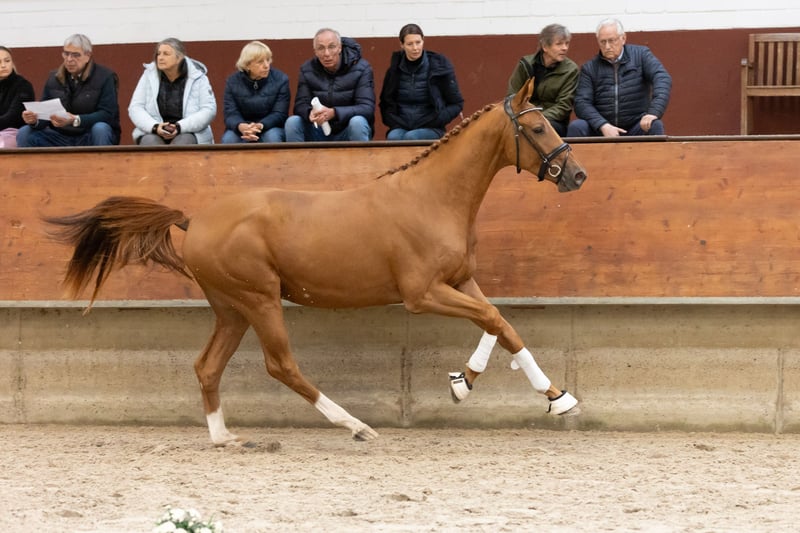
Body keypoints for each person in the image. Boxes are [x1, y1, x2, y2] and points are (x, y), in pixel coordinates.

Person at [567, 18, 672, 137]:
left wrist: (654, 112)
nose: (607, 46)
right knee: (577, 127)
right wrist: (603, 125)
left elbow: (662, 78)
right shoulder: (590, 68)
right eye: (603, 42)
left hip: (636, 125)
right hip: (602, 129)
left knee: (655, 125)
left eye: (611, 40)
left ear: (623, 38)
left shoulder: (641, 55)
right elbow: (581, 102)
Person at [17, 34, 120, 147]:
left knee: (100, 128)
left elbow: (108, 114)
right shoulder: (54, 78)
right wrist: (34, 120)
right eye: (66, 54)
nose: (69, 59)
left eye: (76, 55)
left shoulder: (105, 77)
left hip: (88, 133)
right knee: (25, 132)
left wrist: (76, 119)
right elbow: (45, 114)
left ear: (88, 56)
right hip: (59, 136)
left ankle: (102, 160)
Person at [285, 28, 374, 142]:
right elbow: (300, 105)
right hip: (318, 129)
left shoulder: (361, 68)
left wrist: (334, 112)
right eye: (321, 48)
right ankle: (297, 155)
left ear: (339, 48)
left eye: (331, 47)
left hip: (347, 130)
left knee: (358, 122)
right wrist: (309, 113)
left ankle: (361, 155)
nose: (326, 54)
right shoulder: (307, 69)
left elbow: (366, 108)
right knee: (293, 122)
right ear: (315, 51)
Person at [379, 23, 464, 141]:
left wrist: (437, 120)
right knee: (393, 137)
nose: (415, 48)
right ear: (402, 45)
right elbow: (385, 102)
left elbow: (457, 103)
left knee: (411, 137)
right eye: (410, 44)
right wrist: (394, 122)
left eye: (418, 42)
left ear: (423, 41)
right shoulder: (394, 70)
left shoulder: (439, 67)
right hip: (402, 125)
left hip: (431, 127)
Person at [128, 38, 216, 145]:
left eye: (166, 54)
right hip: (154, 131)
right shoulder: (148, 75)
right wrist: (155, 127)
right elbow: (136, 107)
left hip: (189, 132)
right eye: (158, 54)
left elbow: (208, 110)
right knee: (150, 143)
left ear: (179, 58)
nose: (160, 58)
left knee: (182, 143)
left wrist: (179, 127)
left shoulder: (198, 77)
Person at [506, 23, 578, 137]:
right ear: (545, 46)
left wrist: (537, 118)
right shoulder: (525, 65)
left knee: (539, 129)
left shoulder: (571, 70)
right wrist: (524, 117)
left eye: (567, 43)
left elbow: (563, 106)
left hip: (552, 122)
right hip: (522, 118)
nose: (565, 48)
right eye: (559, 44)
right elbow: (512, 97)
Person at [221, 41, 289, 143]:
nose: (266, 65)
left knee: (272, 137)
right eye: (260, 62)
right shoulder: (232, 82)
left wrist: (259, 126)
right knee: (229, 139)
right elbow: (230, 113)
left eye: (268, 60)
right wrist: (241, 126)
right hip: (242, 128)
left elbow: (280, 113)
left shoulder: (281, 80)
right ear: (247, 65)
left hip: (270, 127)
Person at [0, 46, 35, 148]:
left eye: (7, 61)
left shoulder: (23, 86)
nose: (3, 65)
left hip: (14, 132)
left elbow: (13, 117)